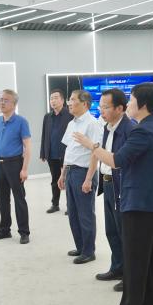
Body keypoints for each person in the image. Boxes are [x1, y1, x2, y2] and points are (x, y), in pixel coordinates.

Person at [74, 82, 153, 305]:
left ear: (143, 104)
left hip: (140, 203)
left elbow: (116, 161)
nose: (129, 104)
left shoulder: (142, 131)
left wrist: (91, 145)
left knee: (135, 257)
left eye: (132, 100)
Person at [93, 89, 134, 292]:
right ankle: (117, 268)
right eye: (100, 106)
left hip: (121, 186)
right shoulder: (107, 127)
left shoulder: (129, 129)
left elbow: (123, 161)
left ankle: (129, 276)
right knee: (111, 231)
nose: (101, 110)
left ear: (119, 108)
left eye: (105, 107)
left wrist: (90, 146)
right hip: (108, 183)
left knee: (124, 232)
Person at [58, 90, 103, 264]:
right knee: (73, 213)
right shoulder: (72, 123)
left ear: (84, 104)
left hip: (84, 172)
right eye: (69, 99)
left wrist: (89, 178)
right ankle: (80, 246)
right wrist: (63, 173)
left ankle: (89, 251)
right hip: (71, 171)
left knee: (85, 214)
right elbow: (69, 150)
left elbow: (95, 152)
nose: (69, 103)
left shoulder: (93, 124)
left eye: (72, 99)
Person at [0, 89, 32, 245]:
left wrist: (24, 169)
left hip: (15, 164)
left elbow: (28, 147)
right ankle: (4, 230)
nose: (2, 102)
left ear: (14, 104)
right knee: (2, 199)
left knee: (19, 198)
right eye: (0, 99)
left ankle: (24, 232)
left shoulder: (21, 122)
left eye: (5, 100)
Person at [40, 89, 73, 213]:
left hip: (66, 154)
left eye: (55, 98)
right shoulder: (47, 117)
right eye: (51, 98)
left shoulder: (70, 115)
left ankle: (70, 206)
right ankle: (55, 204)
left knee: (68, 180)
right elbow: (44, 135)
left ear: (62, 100)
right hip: (52, 154)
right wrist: (43, 152)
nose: (53, 101)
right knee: (55, 180)